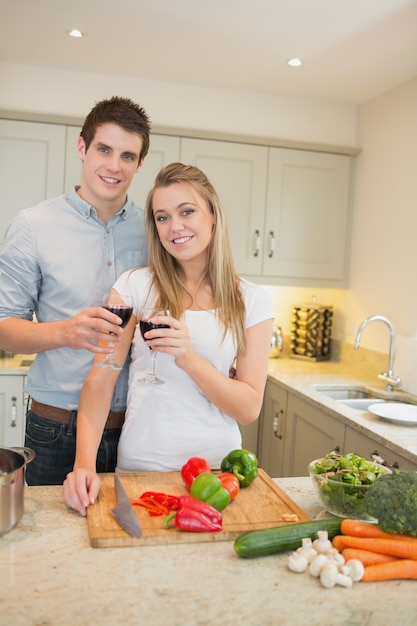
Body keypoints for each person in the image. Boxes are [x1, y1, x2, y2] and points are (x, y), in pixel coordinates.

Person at [64, 162, 274, 516]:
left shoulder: (252, 300)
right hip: (141, 468)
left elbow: (249, 407)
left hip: (218, 475)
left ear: (212, 214)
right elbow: (100, 382)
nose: (174, 227)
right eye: (162, 217)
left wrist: (189, 359)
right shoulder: (133, 287)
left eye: (186, 211)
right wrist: (83, 464)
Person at [0, 96, 151, 485]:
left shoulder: (156, 230)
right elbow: (4, 326)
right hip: (55, 429)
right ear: (82, 147)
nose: (114, 166)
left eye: (128, 156)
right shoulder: (33, 226)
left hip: (140, 426)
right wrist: (66, 332)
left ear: (139, 163)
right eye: (104, 149)